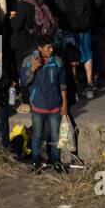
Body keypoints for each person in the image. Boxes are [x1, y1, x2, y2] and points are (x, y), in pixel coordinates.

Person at [19, 38, 68, 173]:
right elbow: (24, 82)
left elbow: (62, 84)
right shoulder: (29, 61)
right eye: (48, 47)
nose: (52, 50)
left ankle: (56, 161)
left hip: (55, 106)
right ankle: (36, 161)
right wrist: (32, 70)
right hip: (38, 107)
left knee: (55, 135)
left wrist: (64, 103)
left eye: (52, 47)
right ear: (40, 48)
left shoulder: (57, 61)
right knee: (37, 135)